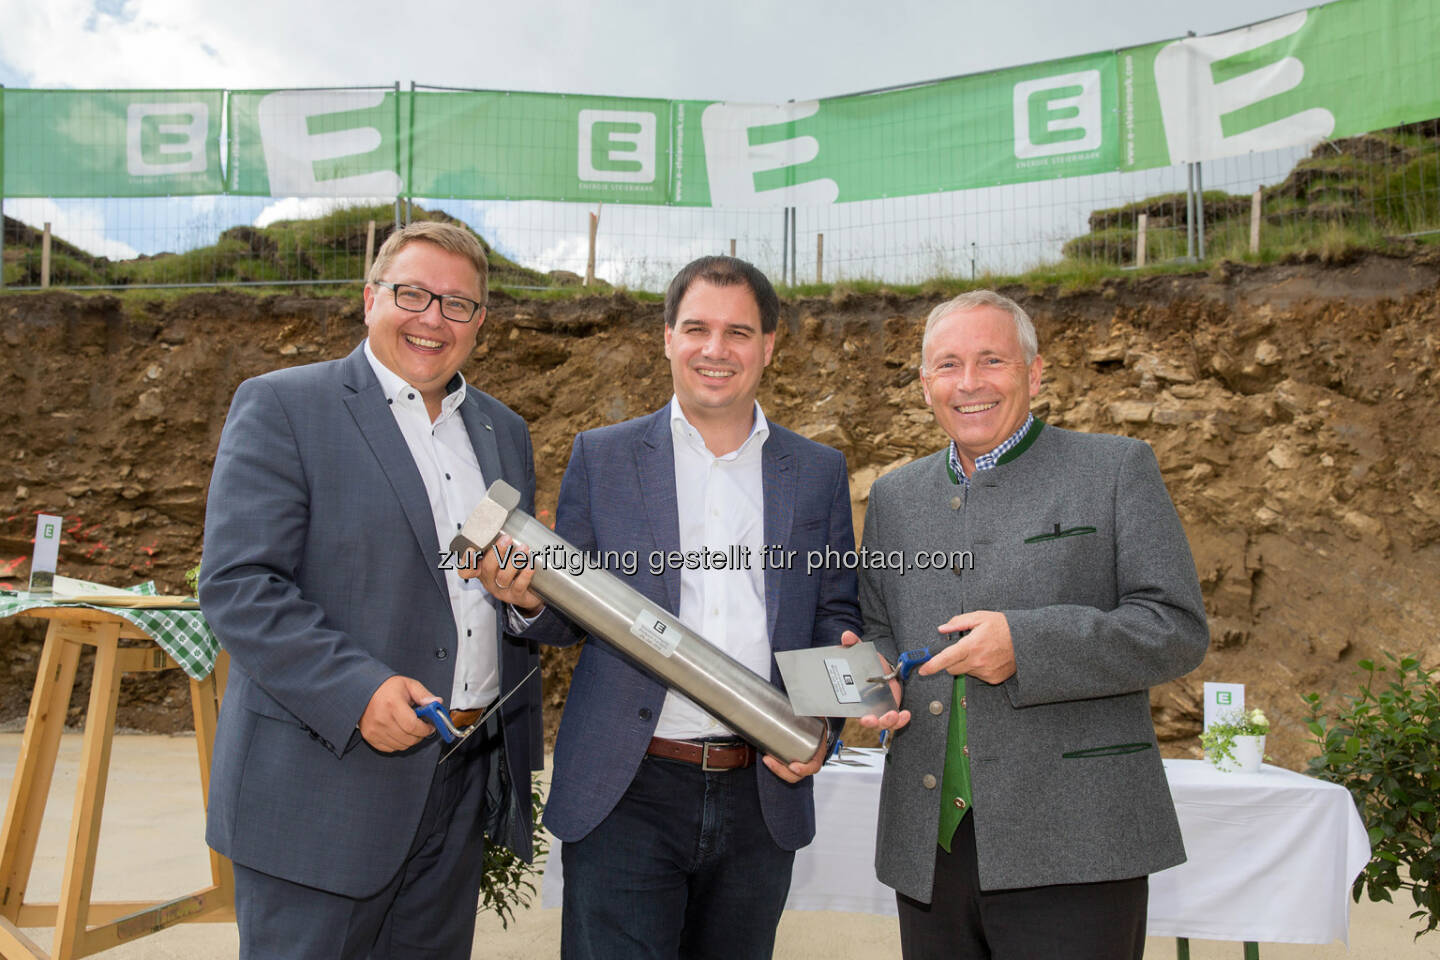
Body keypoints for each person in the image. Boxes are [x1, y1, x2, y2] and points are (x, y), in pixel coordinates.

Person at [480, 255, 861, 960]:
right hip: (628, 788)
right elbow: (571, 614)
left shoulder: (816, 472)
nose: (716, 350)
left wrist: (829, 723)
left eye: (738, 332)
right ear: (667, 337)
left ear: (769, 345)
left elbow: (835, 616)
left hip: (760, 792)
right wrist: (529, 600)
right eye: (697, 329)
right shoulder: (604, 456)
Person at [199, 221, 541, 959]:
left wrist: (527, 599)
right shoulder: (285, 406)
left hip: (459, 780)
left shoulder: (503, 432)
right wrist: (358, 692)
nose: (432, 319)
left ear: (480, 322)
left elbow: (513, 590)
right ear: (368, 299)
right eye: (412, 294)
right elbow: (239, 585)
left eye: (457, 305)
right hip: (324, 787)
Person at [856, 290, 1208, 959]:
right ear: (925, 382)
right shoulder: (895, 498)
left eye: (992, 360)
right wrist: (877, 684)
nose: (969, 383)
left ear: (1034, 372)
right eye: (949, 365)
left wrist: (1028, 644)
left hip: (1079, 841)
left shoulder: (1115, 469)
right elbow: (881, 628)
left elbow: (1176, 626)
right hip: (932, 849)